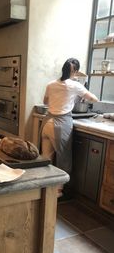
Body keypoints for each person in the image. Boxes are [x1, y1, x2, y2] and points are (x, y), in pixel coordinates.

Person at [41, 58, 98, 196]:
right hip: (61, 124)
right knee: (63, 158)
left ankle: (44, 187)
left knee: (45, 157)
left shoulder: (51, 84)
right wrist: (81, 96)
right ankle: (59, 190)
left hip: (47, 123)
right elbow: (94, 99)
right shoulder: (75, 85)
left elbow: (45, 101)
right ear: (76, 71)